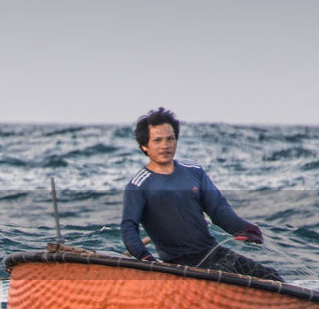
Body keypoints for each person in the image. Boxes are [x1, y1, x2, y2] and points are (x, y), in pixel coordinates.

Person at [121, 107, 283, 281]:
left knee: (271, 276)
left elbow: (218, 209)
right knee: (227, 283)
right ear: (145, 146)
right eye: (157, 140)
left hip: (213, 252)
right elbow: (128, 227)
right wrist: (146, 259)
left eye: (170, 139)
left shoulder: (194, 173)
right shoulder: (138, 185)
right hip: (180, 265)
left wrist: (242, 228)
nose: (165, 146)